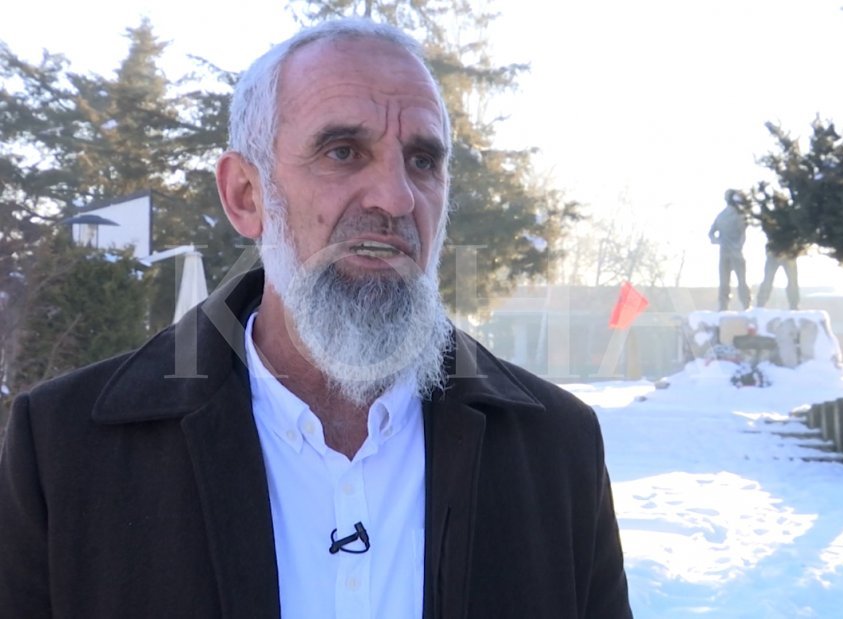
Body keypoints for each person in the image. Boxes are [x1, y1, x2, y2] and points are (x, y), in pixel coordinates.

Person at [0, 19, 632, 619]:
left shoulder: (554, 450)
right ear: (246, 195)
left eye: (422, 160)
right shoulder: (66, 451)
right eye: (343, 151)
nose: (396, 198)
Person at [709, 189, 751, 311]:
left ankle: (724, 306)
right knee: (740, 280)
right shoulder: (740, 215)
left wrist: (718, 241)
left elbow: (711, 234)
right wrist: (738, 246)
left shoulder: (721, 215)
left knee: (725, 281)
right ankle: (745, 305)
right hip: (735, 252)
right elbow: (743, 235)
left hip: (725, 252)